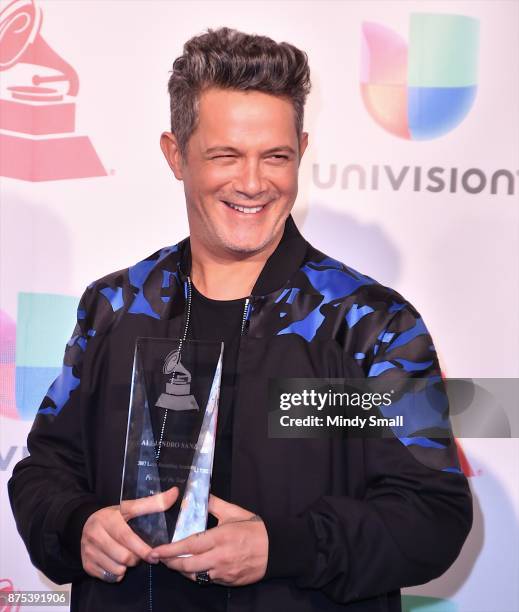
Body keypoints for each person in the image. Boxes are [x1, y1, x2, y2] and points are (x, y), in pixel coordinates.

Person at [9, 27, 472, 612]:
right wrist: (77, 525)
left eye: (275, 156)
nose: (252, 183)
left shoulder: (368, 326)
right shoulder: (115, 308)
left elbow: (433, 515)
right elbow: (44, 470)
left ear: (301, 150)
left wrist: (284, 549)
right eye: (225, 155)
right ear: (175, 155)